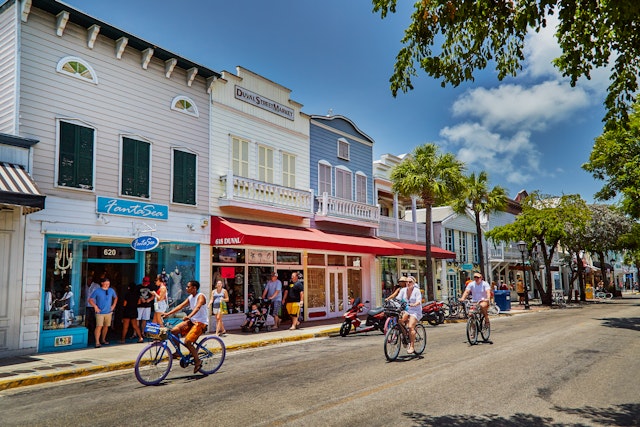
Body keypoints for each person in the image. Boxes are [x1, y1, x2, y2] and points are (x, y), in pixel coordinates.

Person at [162, 280, 208, 374]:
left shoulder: (201, 296)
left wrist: (189, 316)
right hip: (192, 321)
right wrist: (168, 313)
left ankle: (197, 361)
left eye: (188, 287)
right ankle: (178, 352)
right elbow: (180, 306)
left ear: (194, 288)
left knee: (187, 342)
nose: (186, 288)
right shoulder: (190, 297)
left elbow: (197, 307)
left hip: (200, 323)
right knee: (174, 331)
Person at [395, 275, 422, 354]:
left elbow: (419, 301)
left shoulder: (416, 291)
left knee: (410, 327)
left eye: (410, 282)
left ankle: (412, 346)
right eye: (406, 282)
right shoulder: (403, 290)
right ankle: (405, 336)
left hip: (415, 310)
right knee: (400, 321)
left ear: (414, 283)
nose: (408, 283)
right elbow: (398, 299)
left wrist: (415, 304)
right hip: (407, 310)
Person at [88, 278, 118, 348]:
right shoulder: (97, 291)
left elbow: (116, 297)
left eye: (108, 284)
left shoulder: (111, 290)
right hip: (100, 312)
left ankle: (103, 339)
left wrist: (113, 306)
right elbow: (90, 299)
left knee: (106, 326)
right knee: (99, 326)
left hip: (108, 311)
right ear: (102, 283)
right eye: (106, 284)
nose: (107, 285)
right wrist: (95, 307)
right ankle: (97, 342)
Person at [136, 276, 157, 343]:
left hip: (147, 305)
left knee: (144, 319)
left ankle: (142, 332)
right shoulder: (138, 287)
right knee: (137, 319)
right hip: (139, 306)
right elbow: (135, 295)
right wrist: (140, 299)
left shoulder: (151, 287)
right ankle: (135, 332)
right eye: (145, 282)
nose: (146, 284)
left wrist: (149, 300)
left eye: (147, 283)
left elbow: (153, 295)